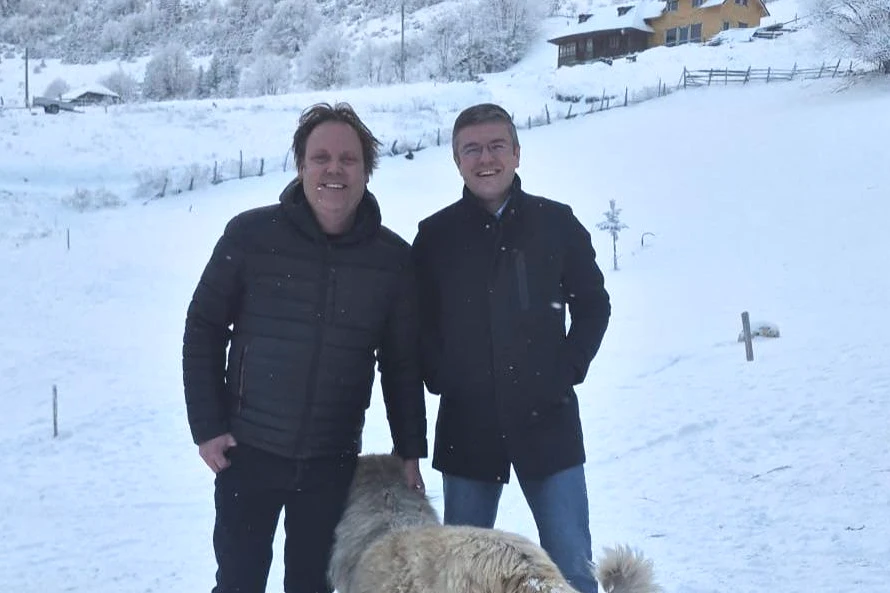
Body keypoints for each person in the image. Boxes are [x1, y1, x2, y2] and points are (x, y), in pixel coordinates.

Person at [183, 102, 427, 593]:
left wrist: (409, 449)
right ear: (300, 166)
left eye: (348, 159)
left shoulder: (392, 259)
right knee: (238, 583)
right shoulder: (250, 236)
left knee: (313, 586)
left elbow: (400, 363)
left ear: (367, 171)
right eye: (321, 158)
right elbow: (204, 327)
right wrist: (208, 427)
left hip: (330, 462)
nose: (334, 169)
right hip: (248, 453)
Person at [411, 103, 611, 593]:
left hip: (549, 420)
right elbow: (417, 324)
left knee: (570, 566)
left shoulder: (555, 223)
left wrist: (566, 369)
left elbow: (593, 305)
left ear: (517, 153)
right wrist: (442, 376)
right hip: (467, 426)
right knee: (461, 573)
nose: (486, 159)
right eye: (472, 149)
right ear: (456, 160)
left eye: (497, 146)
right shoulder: (435, 236)